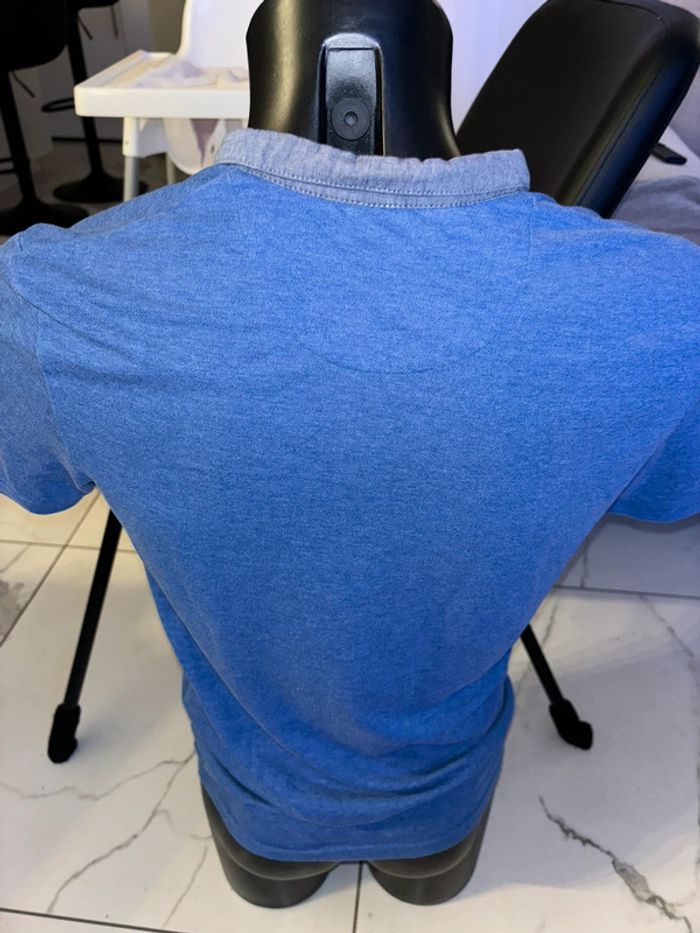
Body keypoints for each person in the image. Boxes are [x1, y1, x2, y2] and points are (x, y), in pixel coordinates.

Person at [1, 126, 699, 906]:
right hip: (442, 803)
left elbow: (37, 479)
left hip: (258, 801)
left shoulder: (49, 290)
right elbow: (664, 485)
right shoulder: (672, 306)